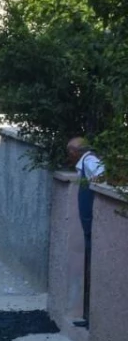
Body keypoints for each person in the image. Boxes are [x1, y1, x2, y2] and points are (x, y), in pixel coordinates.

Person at [67, 137, 105, 328]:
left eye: (70, 152)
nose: (69, 156)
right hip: (86, 221)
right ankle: (86, 316)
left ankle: (90, 318)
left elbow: (102, 175)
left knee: (90, 263)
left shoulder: (90, 161)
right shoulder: (85, 163)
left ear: (75, 152)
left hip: (90, 221)